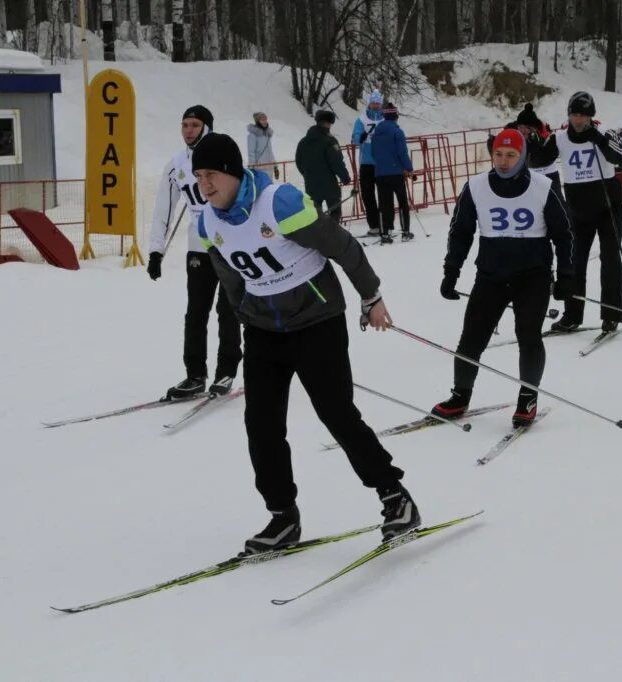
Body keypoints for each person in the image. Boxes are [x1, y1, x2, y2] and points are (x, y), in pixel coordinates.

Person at [190, 132, 420, 551]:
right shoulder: (206, 222)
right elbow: (228, 275)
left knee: (336, 413)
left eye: (212, 175)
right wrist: (245, 313)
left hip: (317, 320)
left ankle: (394, 496)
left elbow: (343, 246)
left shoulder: (278, 203)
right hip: (264, 329)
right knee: (260, 424)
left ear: (234, 172)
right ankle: (282, 517)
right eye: (199, 176)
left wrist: (371, 297)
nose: (205, 185)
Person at [430, 129, 574, 428]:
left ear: (523, 157)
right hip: (491, 275)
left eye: (511, 155)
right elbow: (460, 232)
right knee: (471, 338)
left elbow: (563, 234)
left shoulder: (542, 186)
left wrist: (566, 275)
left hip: (532, 275)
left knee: (528, 335)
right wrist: (451, 272)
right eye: (498, 154)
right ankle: (460, 395)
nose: (504, 161)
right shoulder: (477, 187)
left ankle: (527, 397)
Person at [147, 105, 242, 400]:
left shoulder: (224, 152)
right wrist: (155, 252)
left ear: (207, 127)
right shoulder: (176, 165)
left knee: (228, 311)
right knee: (195, 313)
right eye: (185, 125)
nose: (189, 130)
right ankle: (194, 375)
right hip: (198, 248)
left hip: (229, 245)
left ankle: (226, 370)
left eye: (195, 125)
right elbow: (165, 207)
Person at [535, 91, 622, 333]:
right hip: (578, 209)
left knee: (610, 259)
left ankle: (612, 314)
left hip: (608, 205)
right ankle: (572, 315)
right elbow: (538, 159)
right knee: (574, 262)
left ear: (591, 116)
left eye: (583, 116)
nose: (579, 120)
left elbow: (620, 156)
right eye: (575, 115)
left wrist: (597, 138)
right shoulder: (560, 137)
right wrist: (529, 141)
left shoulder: (604, 132)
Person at [295, 109, 352, 222]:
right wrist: (345, 177)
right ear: (329, 123)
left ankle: (317, 236)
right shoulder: (329, 141)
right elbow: (336, 162)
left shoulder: (303, 142)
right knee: (334, 211)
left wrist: (307, 174)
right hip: (329, 183)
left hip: (311, 183)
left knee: (314, 214)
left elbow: (299, 161)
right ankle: (332, 235)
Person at [370, 102, 414, 243]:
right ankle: (405, 231)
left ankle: (385, 233)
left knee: (384, 204)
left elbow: (373, 153)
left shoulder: (376, 132)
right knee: (402, 202)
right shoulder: (397, 132)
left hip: (380, 173)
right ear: (395, 116)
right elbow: (402, 152)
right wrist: (409, 169)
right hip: (396, 172)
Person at [351, 90, 385, 235]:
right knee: (367, 195)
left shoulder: (385, 118)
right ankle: (374, 226)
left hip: (382, 162)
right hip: (366, 163)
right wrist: (361, 137)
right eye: (373, 103)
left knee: (384, 195)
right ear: (369, 104)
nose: (375, 106)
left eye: (378, 103)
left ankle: (385, 224)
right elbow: (354, 139)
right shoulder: (362, 119)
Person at [510, 102, 562, 197]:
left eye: (527, 128)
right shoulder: (517, 138)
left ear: (535, 128)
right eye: (520, 127)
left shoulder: (548, 138)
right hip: (526, 182)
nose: (522, 130)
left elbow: (546, 158)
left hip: (549, 179)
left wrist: (534, 145)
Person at [247, 112, 278, 179]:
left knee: (269, 188)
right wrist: (252, 168)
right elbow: (251, 152)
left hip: (269, 168)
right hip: (260, 169)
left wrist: (275, 166)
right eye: (262, 120)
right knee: (261, 188)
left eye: (265, 119)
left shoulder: (267, 134)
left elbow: (270, 151)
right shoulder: (252, 135)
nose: (265, 121)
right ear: (258, 121)